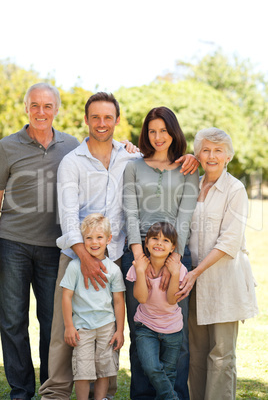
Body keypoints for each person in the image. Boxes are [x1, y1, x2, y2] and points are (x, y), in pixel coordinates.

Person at [39, 94, 198, 400]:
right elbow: (74, 216)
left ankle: (117, 393)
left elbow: (181, 211)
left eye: (108, 117)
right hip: (88, 255)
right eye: (95, 117)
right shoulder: (79, 162)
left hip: (130, 257)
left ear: (117, 120)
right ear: (86, 119)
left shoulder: (132, 157)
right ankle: (58, 394)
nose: (101, 123)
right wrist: (99, 258)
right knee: (79, 330)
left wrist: (170, 261)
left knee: (135, 329)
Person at [0, 83, 80, 400]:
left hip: (54, 248)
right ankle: (21, 390)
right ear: (26, 108)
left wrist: (130, 148)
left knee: (52, 323)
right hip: (11, 244)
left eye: (47, 106)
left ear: (56, 110)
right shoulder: (6, 147)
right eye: (35, 105)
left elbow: (103, 153)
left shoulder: (71, 146)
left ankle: (51, 388)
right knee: (11, 321)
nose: (41, 112)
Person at [122, 106, 199, 399]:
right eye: (152, 131)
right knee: (141, 332)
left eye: (163, 131)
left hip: (176, 255)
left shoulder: (188, 168)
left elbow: (185, 216)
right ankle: (142, 395)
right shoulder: (133, 166)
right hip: (138, 254)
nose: (157, 137)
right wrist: (138, 256)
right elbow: (130, 212)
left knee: (175, 336)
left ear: (173, 132)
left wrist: (173, 260)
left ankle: (175, 394)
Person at [176, 127, 259, 400]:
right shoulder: (192, 183)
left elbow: (229, 241)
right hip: (194, 283)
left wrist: (195, 271)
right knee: (197, 354)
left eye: (218, 150)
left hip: (224, 281)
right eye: (206, 149)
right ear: (198, 154)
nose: (212, 155)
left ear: (228, 156)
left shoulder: (235, 189)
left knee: (222, 355)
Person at [61, 213, 125, 400]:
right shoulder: (74, 266)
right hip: (82, 327)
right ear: (83, 240)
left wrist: (119, 330)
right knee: (83, 370)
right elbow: (66, 296)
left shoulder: (113, 269)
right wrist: (69, 326)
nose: (94, 242)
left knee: (104, 369)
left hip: (106, 326)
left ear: (108, 239)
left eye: (99, 237)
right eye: (88, 238)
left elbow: (119, 301)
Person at [126, 222, 188, 400]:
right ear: (146, 243)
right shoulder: (138, 267)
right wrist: (140, 270)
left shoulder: (179, 269)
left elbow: (171, 299)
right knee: (151, 367)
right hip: (146, 327)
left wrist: (175, 273)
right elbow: (142, 298)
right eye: (155, 238)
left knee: (168, 373)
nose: (159, 243)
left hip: (173, 330)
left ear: (172, 247)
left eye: (165, 240)